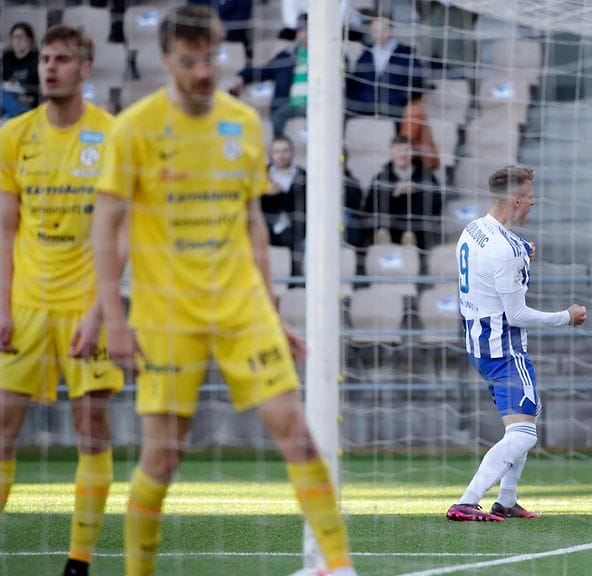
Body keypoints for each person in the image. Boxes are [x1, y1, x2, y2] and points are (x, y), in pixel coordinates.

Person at [89, 7, 356, 575]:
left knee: (298, 436)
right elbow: (105, 227)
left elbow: (253, 222)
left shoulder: (242, 121)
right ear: (166, 61)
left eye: (210, 57)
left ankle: (337, 567)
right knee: (162, 457)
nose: (202, 70)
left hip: (242, 308)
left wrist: (274, 309)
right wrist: (115, 316)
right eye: (189, 61)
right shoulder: (133, 128)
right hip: (166, 316)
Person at [0, 25, 122, 576]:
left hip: (84, 302)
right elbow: (5, 228)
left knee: (92, 431)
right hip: (24, 302)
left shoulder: (113, 137)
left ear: (85, 68)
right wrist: (1, 305)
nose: (50, 67)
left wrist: (101, 311)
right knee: (2, 428)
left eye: (63, 59)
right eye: (45, 58)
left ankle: (79, 561)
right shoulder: (12, 135)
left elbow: (121, 235)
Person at [447, 165, 587, 522]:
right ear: (516, 199)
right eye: (531, 200)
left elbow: (492, 259)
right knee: (524, 435)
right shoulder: (504, 250)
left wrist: (521, 250)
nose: (532, 206)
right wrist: (565, 317)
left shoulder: (474, 229)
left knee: (524, 420)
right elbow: (517, 315)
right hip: (505, 346)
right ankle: (467, 501)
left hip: (478, 343)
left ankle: (506, 499)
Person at [232, 12, 308, 137]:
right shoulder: (287, 55)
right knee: (278, 117)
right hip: (291, 106)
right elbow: (264, 71)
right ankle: (279, 150)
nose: (304, 34)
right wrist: (243, 77)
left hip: (320, 104)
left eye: (307, 30)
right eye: (301, 30)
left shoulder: (330, 56)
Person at [345, 13, 426, 119]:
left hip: (396, 109)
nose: (379, 33)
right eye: (375, 30)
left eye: (382, 29)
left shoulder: (406, 54)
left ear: (391, 29)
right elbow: (355, 82)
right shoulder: (366, 53)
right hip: (365, 108)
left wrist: (401, 99)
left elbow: (417, 83)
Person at [365, 135, 441, 248]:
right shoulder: (380, 178)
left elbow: (438, 202)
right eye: (398, 150)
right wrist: (394, 193)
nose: (403, 154)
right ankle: (384, 241)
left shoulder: (426, 175)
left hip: (417, 229)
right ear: (391, 152)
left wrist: (417, 190)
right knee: (382, 226)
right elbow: (369, 207)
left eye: (407, 150)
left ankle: (410, 240)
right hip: (390, 227)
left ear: (412, 153)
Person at [263, 135, 307, 279]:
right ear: (271, 154)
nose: (281, 155)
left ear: (292, 152)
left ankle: (295, 281)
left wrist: (279, 193)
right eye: (277, 151)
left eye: (285, 151)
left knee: (297, 241)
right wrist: (264, 192)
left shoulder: (302, 176)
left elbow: (302, 206)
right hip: (266, 226)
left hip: (294, 228)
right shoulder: (261, 175)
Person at [2, 22, 41, 118]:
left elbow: (43, 91)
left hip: (27, 102)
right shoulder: (6, 59)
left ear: (29, 40)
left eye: (20, 37)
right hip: (8, 98)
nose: (17, 41)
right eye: (14, 37)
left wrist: (31, 99)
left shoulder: (37, 59)